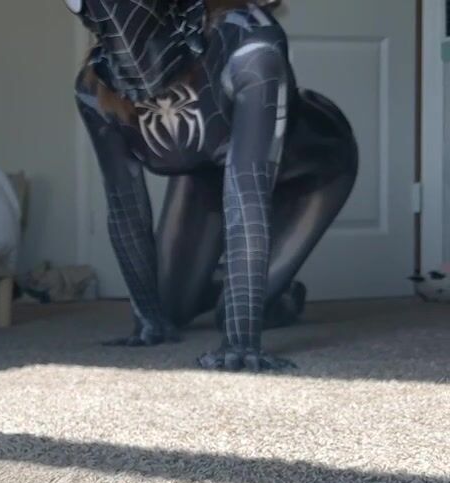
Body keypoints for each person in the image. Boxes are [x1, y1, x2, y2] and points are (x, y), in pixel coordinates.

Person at [67, 0, 357, 370]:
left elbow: (249, 191)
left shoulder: (248, 44)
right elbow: (125, 206)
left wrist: (240, 343)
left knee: (233, 317)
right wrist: (148, 319)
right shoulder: (94, 88)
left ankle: (278, 296)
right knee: (169, 308)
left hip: (310, 175)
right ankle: (234, 283)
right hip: (209, 171)